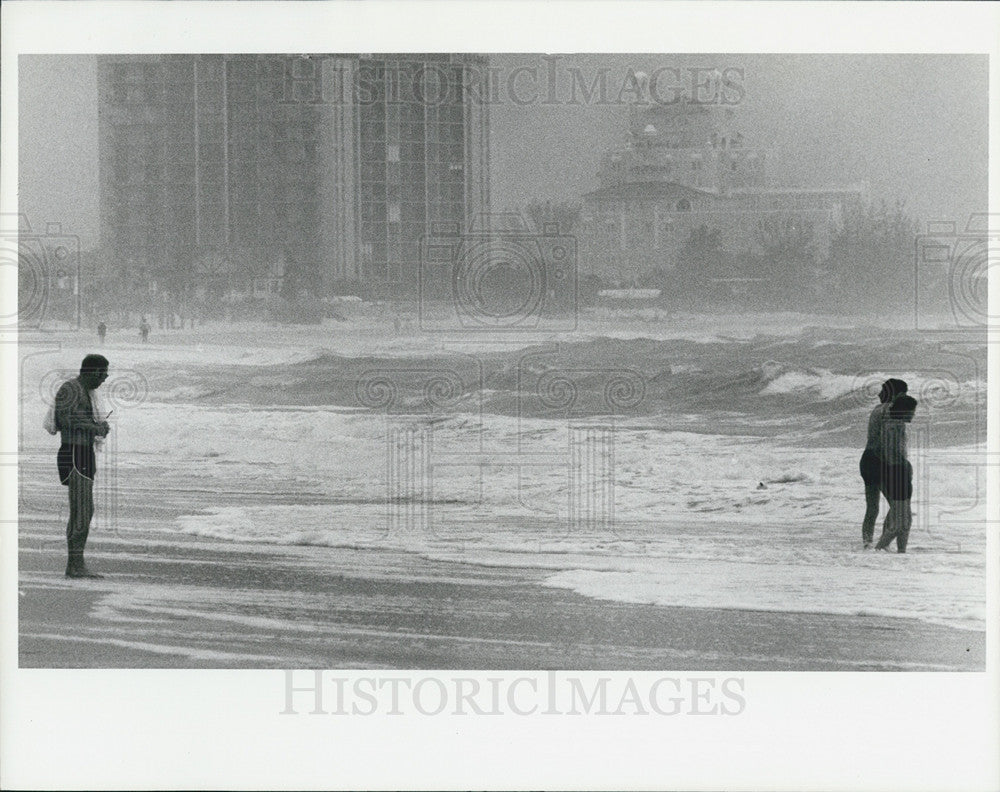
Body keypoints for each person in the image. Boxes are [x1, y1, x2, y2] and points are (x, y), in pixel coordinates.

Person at [54, 354, 111, 578]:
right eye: (103, 372)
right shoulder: (71, 388)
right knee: (83, 510)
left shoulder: (84, 391)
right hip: (74, 452)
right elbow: (65, 419)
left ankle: (75, 565)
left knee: (81, 510)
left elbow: (73, 418)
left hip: (82, 453)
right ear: (92, 371)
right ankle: (76, 566)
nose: (105, 378)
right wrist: (95, 427)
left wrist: (97, 426)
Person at [859, 378, 908, 548]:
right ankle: (883, 545)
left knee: (872, 508)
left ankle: (867, 544)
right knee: (898, 507)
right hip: (883, 461)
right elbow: (890, 441)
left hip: (867, 459)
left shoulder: (876, 409)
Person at [875, 394, 919, 553]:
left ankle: (901, 553)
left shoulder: (890, 424)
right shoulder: (896, 426)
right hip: (897, 472)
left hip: (895, 472)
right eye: (912, 411)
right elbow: (894, 452)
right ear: (904, 411)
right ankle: (879, 549)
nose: (914, 414)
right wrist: (904, 466)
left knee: (906, 519)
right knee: (903, 520)